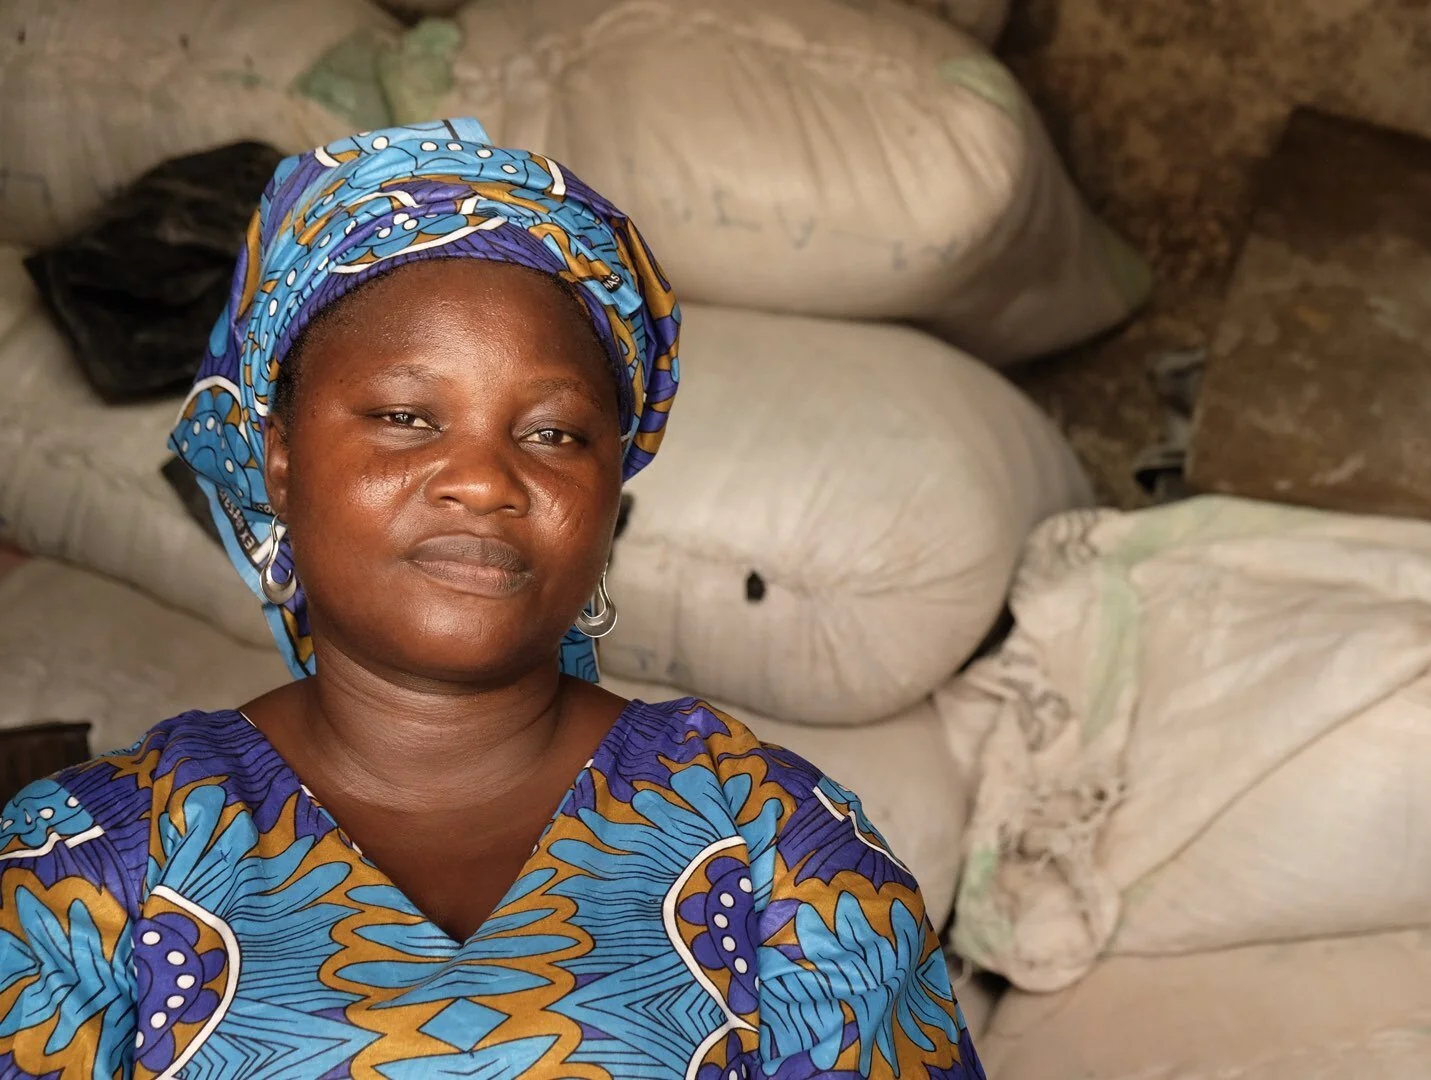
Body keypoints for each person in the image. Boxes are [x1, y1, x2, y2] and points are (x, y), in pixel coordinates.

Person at [0, 120, 985, 1079]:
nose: (484, 480)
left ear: (609, 502)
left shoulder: (778, 841)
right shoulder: (94, 861)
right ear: (282, 466)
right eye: (403, 417)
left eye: (555, 435)